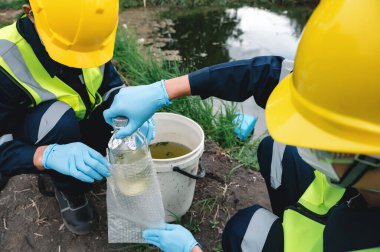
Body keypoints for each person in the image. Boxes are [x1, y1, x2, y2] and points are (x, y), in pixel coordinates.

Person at [104, 0, 380, 251]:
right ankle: (289, 219)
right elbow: (270, 75)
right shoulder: (364, 81)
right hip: (343, 199)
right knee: (278, 148)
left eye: (323, 138)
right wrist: (163, 90)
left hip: (331, 237)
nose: (310, 141)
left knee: (245, 231)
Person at [0, 0, 154, 235]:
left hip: (83, 115)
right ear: (31, 15)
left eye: (88, 50)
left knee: (118, 106)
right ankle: (68, 189)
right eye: (70, 50)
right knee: (59, 119)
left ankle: (95, 163)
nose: (80, 62)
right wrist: (46, 156)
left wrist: (132, 106)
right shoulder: (5, 59)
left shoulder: (91, 33)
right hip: (46, 130)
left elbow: (111, 86)